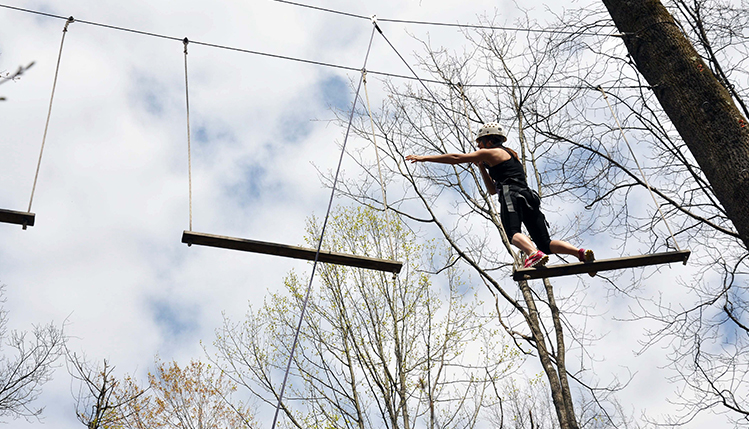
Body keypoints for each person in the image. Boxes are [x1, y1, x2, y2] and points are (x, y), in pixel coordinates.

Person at [406, 122, 594, 270]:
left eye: (479, 143)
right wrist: (481, 167)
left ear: (488, 140)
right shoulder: (509, 155)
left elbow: (456, 158)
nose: (478, 147)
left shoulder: (492, 151)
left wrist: (424, 158)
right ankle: (579, 253)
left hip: (511, 196)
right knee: (545, 244)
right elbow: (492, 190)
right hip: (528, 197)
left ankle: (532, 254)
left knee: (513, 233)